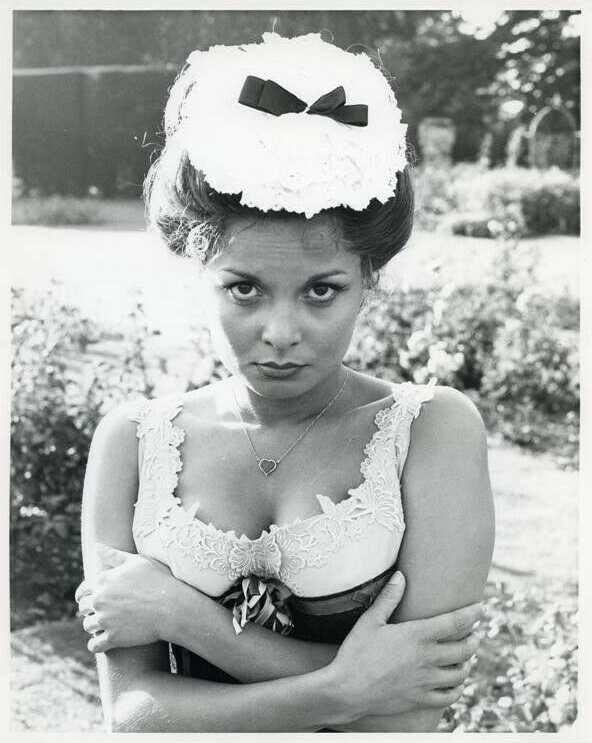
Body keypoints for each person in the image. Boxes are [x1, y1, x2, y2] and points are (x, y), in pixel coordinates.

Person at [75, 32, 494, 732]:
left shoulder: (431, 432)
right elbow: (134, 715)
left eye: (321, 291)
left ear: (368, 281)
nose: (279, 331)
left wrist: (187, 618)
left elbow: (405, 719)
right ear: (201, 275)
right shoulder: (132, 442)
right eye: (244, 289)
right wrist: (345, 688)